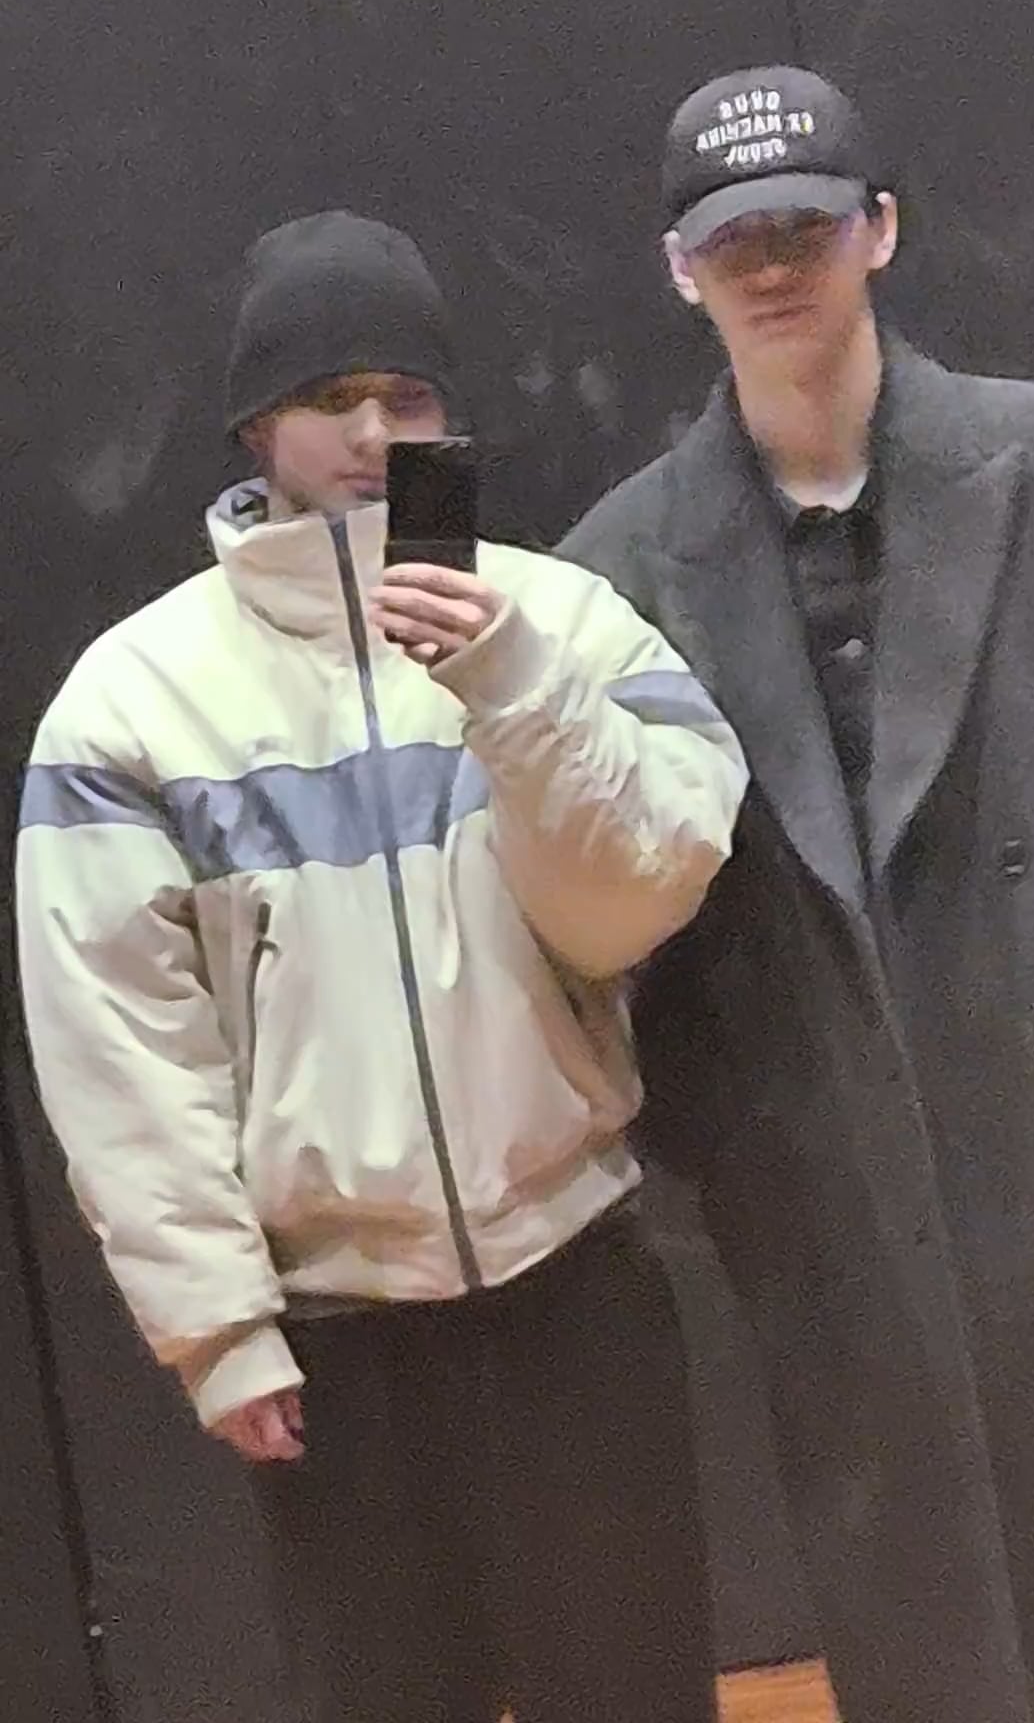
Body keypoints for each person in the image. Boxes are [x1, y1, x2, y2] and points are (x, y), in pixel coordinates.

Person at [16, 211, 748, 1723]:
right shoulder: (133, 702)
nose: (370, 436)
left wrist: (513, 686)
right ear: (255, 424)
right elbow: (121, 1046)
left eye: (405, 398)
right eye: (328, 398)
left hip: (579, 1298)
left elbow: (643, 896)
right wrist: (219, 1332)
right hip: (338, 1347)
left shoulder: (558, 619)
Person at [561, 64, 1034, 1723]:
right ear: (679, 270)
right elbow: (604, 913)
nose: (773, 266)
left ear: (882, 230)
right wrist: (733, 1148)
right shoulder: (614, 574)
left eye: (804, 225)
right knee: (927, 1634)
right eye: (736, 240)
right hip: (829, 1209)